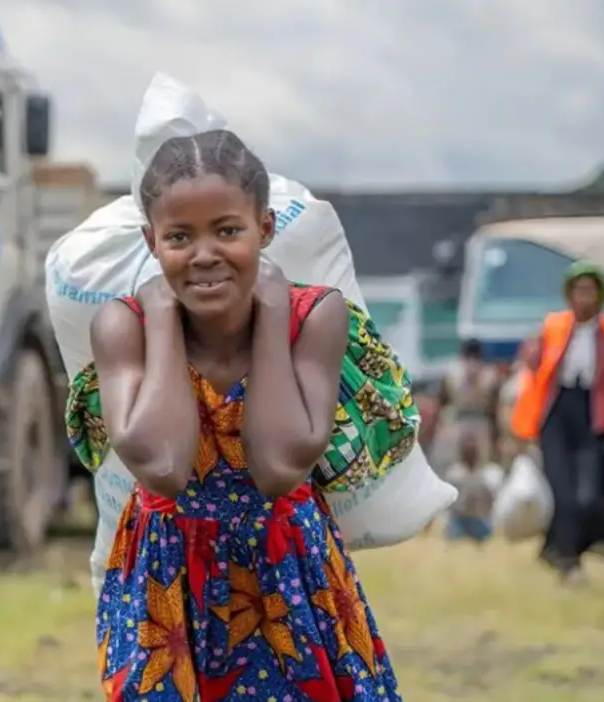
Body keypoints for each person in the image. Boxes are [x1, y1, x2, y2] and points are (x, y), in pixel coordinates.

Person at [72, 130, 401, 700]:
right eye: (180, 236)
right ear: (152, 242)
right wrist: (161, 321)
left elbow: (277, 469)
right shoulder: (123, 327)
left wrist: (272, 313)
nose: (204, 254)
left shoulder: (313, 316)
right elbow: (166, 469)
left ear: (264, 230)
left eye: (228, 230)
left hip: (288, 574)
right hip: (168, 582)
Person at [510, 262, 604, 583]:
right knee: (562, 494)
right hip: (557, 416)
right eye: (578, 291)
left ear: (599, 297)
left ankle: (559, 549)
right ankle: (568, 562)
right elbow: (533, 371)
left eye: (589, 291)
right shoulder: (553, 328)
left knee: (589, 496)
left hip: (593, 417)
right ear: (569, 295)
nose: (583, 298)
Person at [435, 338, 500, 472]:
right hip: (458, 421)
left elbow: (494, 408)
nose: (472, 361)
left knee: (483, 465)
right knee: (455, 466)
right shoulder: (452, 374)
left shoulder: (490, 375)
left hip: (481, 420)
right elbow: (443, 401)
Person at [442, 429, 505, 543]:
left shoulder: (488, 474)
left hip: (480, 519)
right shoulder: (454, 473)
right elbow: (448, 504)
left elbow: (494, 500)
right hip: (460, 519)